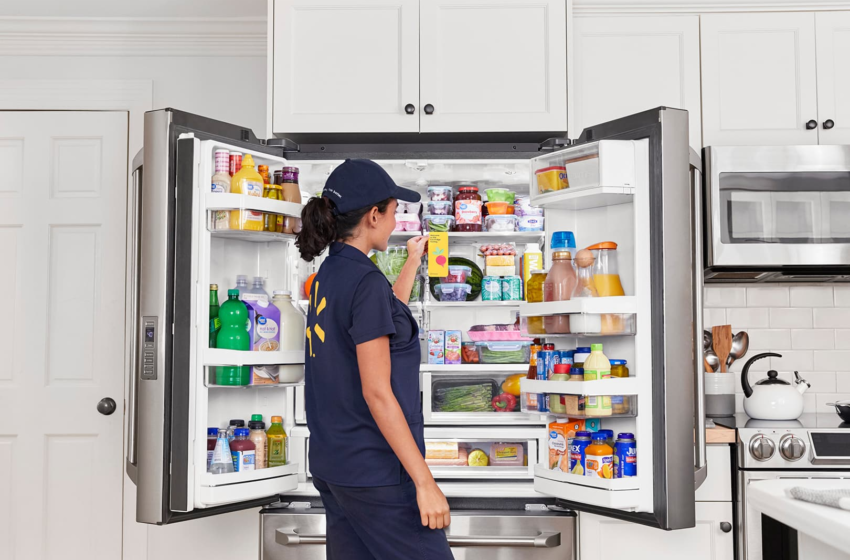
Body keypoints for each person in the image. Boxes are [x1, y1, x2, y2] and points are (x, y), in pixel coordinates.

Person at [297, 159, 453, 560]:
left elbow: (384, 318)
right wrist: (424, 482)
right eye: (394, 211)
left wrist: (413, 261)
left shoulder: (331, 272)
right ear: (373, 215)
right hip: (377, 470)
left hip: (336, 467)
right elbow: (377, 392)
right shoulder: (362, 280)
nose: (396, 221)